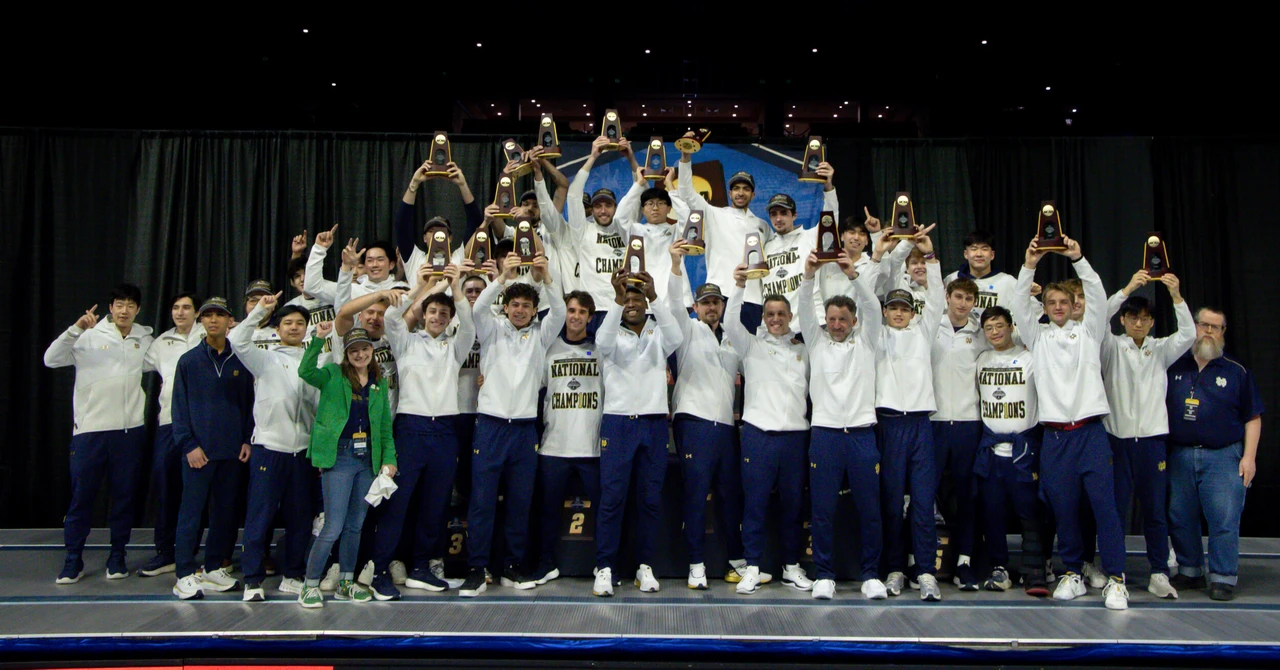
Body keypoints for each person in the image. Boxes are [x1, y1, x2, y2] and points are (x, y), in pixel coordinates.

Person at [1011, 236, 1131, 610]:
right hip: (1056, 438)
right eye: (1051, 303)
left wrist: (1078, 258)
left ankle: (1116, 579)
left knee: (1104, 507)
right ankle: (1073, 572)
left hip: (1091, 433)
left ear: (1072, 306)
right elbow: (1017, 305)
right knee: (1063, 509)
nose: (1059, 307)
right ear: (1044, 308)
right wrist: (1029, 263)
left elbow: (1096, 294)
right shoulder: (1038, 337)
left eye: (1064, 302)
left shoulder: (1090, 332)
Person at [363, 264, 475, 600]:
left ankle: (421, 567)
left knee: (436, 504)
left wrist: (455, 289)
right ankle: (380, 570)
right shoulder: (406, 342)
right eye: (432, 311)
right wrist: (421, 287)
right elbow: (393, 319)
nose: (438, 316)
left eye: (443, 313)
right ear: (423, 314)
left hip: (444, 430)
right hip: (409, 429)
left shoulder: (455, 347)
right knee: (397, 504)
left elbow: (469, 326)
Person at [461, 252, 566, 597]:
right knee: (482, 501)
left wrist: (546, 276)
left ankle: (511, 566)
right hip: (490, 426)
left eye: (526, 305)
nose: (520, 310)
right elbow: (477, 310)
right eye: (514, 304)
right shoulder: (491, 331)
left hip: (524, 430)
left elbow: (561, 312)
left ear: (535, 310)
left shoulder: (541, 335)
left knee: (520, 503)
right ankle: (477, 568)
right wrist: (502, 278)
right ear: (505, 307)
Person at [44, 284, 155, 584]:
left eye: (130, 305)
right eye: (120, 304)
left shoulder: (144, 337)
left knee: (123, 498)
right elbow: (51, 359)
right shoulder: (87, 336)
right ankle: (72, 561)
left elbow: (170, 356)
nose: (124, 310)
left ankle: (117, 557)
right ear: (111, 307)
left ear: (138, 309)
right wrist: (75, 329)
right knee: (82, 498)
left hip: (129, 432)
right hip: (90, 433)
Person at [798, 251, 887, 600]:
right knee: (822, 510)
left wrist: (854, 276)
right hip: (825, 435)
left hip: (863, 435)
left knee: (869, 509)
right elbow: (805, 308)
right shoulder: (816, 342)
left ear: (853, 321)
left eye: (843, 319)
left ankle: (870, 575)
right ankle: (824, 575)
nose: (836, 324)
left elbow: (873, 308)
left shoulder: (867, 341)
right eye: (832, 318)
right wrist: (808, 275)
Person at [1101, 270, 1195, 599]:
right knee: (1114, 510)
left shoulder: (1161, 350)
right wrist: (1126, 288)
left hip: (1153, 442)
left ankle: (1158, 572)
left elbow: (1188, 334)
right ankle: (1114, 572)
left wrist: (1177, 296)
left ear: (1152, 322)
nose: (1139, 324)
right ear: (1124, 320)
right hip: (1118, 440)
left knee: (1155, 510)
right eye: (1133, 317)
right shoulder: (1111, 347)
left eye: (1145, 319)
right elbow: (1099, 318)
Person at [666, 243, 753, 588]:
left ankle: (736, 560)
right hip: (694, 423)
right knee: (696, 493)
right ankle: (696, 564)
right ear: (696, 307)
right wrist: (676, 264)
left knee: (732, 495)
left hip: (726, 428)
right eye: (705, 303)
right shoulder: (687, 331)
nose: (712, 308)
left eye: (717, 302)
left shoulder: (733, 339)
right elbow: (673, 304)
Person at [592, 268, 684, 596]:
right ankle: (604, 567)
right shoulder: (611, 332)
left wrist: (655, 294)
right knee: (612, 499)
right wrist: (615, 298)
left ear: (646, 304)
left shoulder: (660, 332)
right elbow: (601, 344)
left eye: (637, 298)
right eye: (626, 299)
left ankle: (644, 566)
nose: (631, 303)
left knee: (649, 500)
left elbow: (677, 338)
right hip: (618, 424)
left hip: (654, 424)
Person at [724, 265, 813, 595]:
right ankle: (754, 567)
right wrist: (738, 285)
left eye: (781, 314)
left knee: (792, 507)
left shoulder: (805, 348)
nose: (775, 319)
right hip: (758, 436)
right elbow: (731, 322)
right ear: (763, 317)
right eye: (770, 314)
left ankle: (791, 567)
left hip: (795, 437)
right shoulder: (750, 346)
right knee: (756, 505)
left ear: (790, 316)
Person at [1165, 306, 1264, 601]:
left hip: (1223, 456)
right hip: (1179, 454)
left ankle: (1222, 576)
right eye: (1203, 325)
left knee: (1223, 518)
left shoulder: (1236, 371)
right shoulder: (1174, 365)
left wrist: (1249, 458)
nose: (1208, 331)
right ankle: (1190, 570)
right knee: (1180, 516)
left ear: (1223, 333)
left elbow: (1253, 417)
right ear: (1193, 327)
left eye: (1215, 327)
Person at [296, 324, 398, 608]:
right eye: (354, 350)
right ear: (346, 353)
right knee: (333, 525)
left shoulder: (378, 383)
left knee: (355, 525)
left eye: (365, 349)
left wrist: (389, 460)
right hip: (339, 457)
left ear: (372, 351)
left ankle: (346, 581)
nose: (360, 354)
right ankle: (310, 584)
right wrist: (317, 340)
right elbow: (305, 371)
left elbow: (384, 429)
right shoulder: (332, 375)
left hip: (367, 460)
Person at [228, 292, 318, 602]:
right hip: (268, 448)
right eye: (288, 323)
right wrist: (259, 313)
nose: (294, 328)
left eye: (300, 323)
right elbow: (237, 340)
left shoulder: (313, 361)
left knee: (300, 518)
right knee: (260, 515)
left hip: (303, 453)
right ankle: (252, 580)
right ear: (277, 329)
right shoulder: (264, 359)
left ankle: (292, 575)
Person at [871, 229, 945, 602]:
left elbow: (936, 300)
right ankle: (896, 569)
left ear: (912, 312)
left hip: (919, 424)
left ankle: (927, 571)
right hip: (887, 424)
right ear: (885, 312)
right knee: (890, 503)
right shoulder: (875, 333)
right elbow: (865, 296)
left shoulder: (923, 331)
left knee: (922, 501)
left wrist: (930, 258)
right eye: (893, 308)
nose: (899, 313)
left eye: (904, 308)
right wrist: (886, 254)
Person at [170, 297, 255, 600]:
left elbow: (249, 405)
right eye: (208, 316)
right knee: (191, 513)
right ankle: (183, 573)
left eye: (220, 315)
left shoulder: (241, 360)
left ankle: (212, 567)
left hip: (232, 453)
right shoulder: (189, 361)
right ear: (201, 321)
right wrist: (189, 445)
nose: (214, 320)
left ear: (230, 320)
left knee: (225, 514)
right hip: (198, 454)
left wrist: (246, 439)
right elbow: (178, 410)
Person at [973, 306, 1048, 596]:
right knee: (992, 513)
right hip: (992, 451)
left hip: (1023, 450)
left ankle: (1034, 572)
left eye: (1000, 326)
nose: (995, 332)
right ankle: (999, 569)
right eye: (989, 328)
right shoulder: (982, 359)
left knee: (1030, 513)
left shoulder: (1030, 358)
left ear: (1011, 326)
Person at [534, 290, 604, 585]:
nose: (575, 316)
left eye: (581, 312)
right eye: (571, 310)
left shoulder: (603, 351)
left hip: (592, 447)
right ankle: (544, 564)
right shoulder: (548, 349)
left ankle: (605, 565)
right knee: (546, 513)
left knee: (604, 512)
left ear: (590, 317)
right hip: (554, 445)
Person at [137, 292, 205, 578]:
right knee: (167, 488)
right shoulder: (160, 343)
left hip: (203, 425)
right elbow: (132, 362)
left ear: (197, 312)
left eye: (186, 307)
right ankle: (165, 552)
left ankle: (189, 553)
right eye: (175, 308)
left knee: (198, 492)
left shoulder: (211, 334)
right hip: (169, 424)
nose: (180, 312)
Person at [930, 278, 988, 590]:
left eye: (968, 299)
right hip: (935, 422)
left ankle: (964, 562)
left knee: (968, 497)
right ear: (947, 297)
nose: (962, 303)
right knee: (925, 495)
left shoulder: (981, 334)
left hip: (969, 424)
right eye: (958, 297)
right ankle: (921, 563)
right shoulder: (930, 328)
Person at [534, 136, 629, 315]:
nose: (586, 212)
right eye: (592, 207)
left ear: (615, 208)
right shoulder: (574, 232)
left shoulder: (622, 228)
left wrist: (631, 159)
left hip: (618, 304)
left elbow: (638, 197)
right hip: (583, 307)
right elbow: (557, 204)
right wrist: (592, 156)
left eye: (607, 206)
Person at [677, 132, 770, 304]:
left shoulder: (763, 226)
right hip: (721, 294)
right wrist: (685, 156)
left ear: (753, 194)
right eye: (736, 188)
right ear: (730, 193)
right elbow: (686, 192)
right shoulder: (714, 214)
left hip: (754, 299)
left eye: (745, 189)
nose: (740, 193)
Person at [759, 165, 838, 329]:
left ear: (794, 215)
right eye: (774, 214)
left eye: (783, 213)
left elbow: (830, 220)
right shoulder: (765, 247)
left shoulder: (810, 237)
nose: (778, 219)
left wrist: (828, 187)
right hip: (775, 326)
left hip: (811, 322)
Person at [394, 159, 484, 290]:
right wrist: (414, 184)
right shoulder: (415, 259)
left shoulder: (459, 257)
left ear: (450, 238)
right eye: (431, 231)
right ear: (424, 238)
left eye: (442, 230)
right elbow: (401, 225)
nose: (437, 234)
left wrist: (462, 184)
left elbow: (476, 224)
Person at [943, 230, 1019, 319]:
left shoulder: (1008, 282)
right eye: (974, 249)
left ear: (992, 255)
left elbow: (1030, 314)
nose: (979, 254)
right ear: (966, 254)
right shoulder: (952, 279)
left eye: (984, 249)